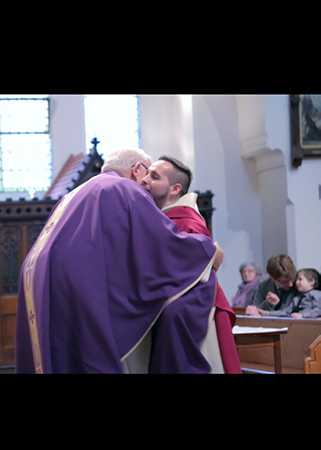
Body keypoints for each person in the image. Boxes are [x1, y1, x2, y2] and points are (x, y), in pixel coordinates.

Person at [15, 147, 221, 373]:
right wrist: (207, 250)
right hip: (75, 280)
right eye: (147, 173)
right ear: (137, 169)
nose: (146, 184)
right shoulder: (125, 188)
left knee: (58, 355)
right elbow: (160, 240)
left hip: (40, 276)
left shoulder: (77, 192)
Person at [139, 154, 240, 374]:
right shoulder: (162, 218)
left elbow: (195, 276)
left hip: (194, 311)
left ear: (175, 189)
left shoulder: (187, 220)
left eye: (154, 176)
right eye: (147, 174)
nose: (145, 179)